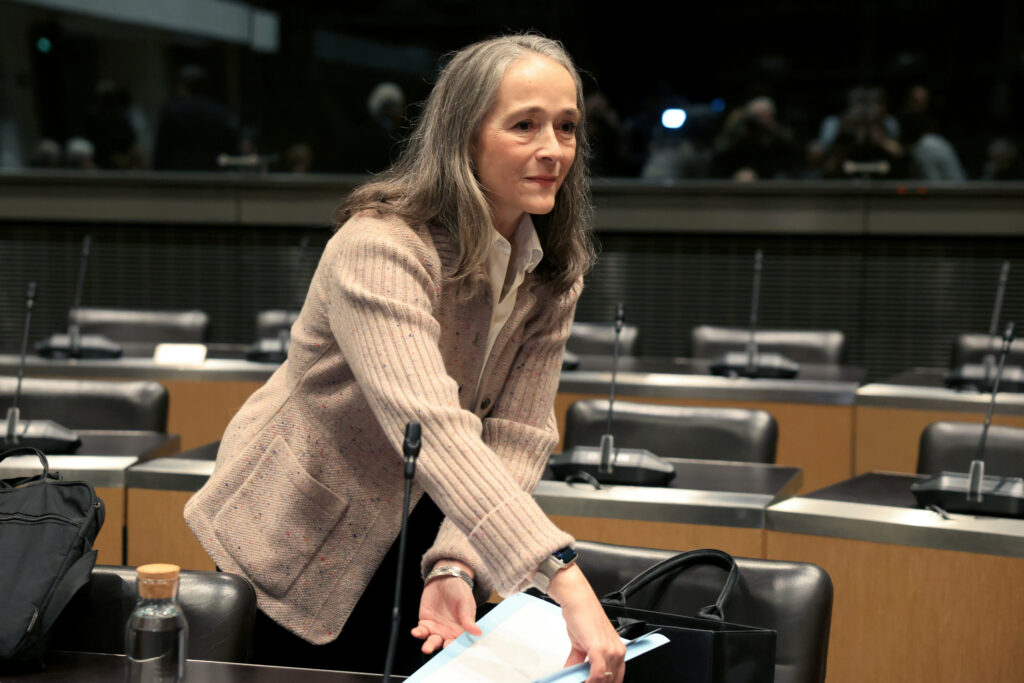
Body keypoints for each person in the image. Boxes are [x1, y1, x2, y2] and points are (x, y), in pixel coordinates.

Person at [184, 34, 626, 682]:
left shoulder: (554, 266)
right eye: (524, 125)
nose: (553, 149)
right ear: (463, 135)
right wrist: (565, 579)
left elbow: (515, 433)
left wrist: (455, 561)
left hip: (441, 513)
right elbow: (433, 427)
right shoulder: (380, 246)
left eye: (566, 127)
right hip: (302, 526)